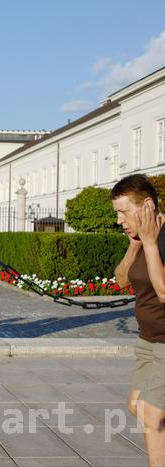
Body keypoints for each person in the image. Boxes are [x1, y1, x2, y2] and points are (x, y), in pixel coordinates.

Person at [112, 173, 165, 466]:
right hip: (148, 343)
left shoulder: (161, 238)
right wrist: (135, 246)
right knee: (136, 405)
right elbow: (120, 280)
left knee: (152, 414)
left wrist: (151, 244)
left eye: (123, 211)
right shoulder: (139, 240)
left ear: (146, 205)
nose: (120, 219)